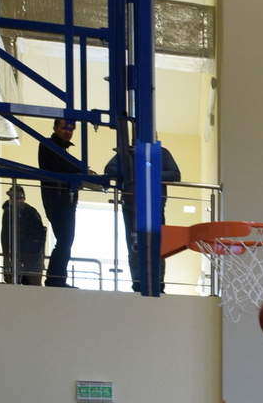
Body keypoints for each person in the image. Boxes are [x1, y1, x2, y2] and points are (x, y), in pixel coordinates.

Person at [103, 142, 183, 293]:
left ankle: (158, 284)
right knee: (134, 247)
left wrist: (148, 172)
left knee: (157, 246)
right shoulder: (127, 152)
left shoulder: (161, 152)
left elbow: (175, 175)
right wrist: (135, 172)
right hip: (130, 205)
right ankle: (137, 284)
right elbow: (109, 169)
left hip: (154, 206)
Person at [38, 119, 84, 287]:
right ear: (55, 128)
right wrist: (81, 171)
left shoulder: (60, 149)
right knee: (65, 240)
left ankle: (56, 278)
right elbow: (60, 165)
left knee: (65, 240)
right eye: (63, 128)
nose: (67, 131)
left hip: (63, 199)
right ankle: (55, 279)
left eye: (70, 129)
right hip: (57, 199)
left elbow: (64, 165)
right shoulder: (49, 145)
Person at [0, 186, 46, 286]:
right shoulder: (33, 212)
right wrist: (41, 259)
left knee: (12, 288)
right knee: (34, 289)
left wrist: (7, 261)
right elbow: (42, 236)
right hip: (34, 258)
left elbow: (6, 238)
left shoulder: (9, 212)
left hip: (15, 256)